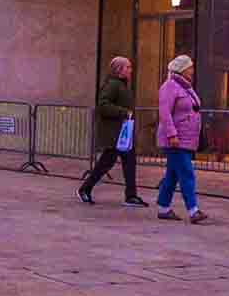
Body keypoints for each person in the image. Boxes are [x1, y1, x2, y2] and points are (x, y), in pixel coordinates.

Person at [78, 56, 145, 206]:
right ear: (119, 70)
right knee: (106, 163)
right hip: (114, 134)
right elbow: (103, 105)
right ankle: (85, 189)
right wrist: (123, 112)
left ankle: (131, 196)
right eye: (128, 67)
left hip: (123, 133)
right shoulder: (113, 85)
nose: (130, 70)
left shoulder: (123, 85)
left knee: (129, 162)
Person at [154, 53, 206, 224]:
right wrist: (172, 134)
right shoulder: (169, 87)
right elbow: (165, 113)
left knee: (173, 175)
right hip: (176, 140)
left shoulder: (186, 88)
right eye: (190, 68)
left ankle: (163, 207)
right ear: (182, 69)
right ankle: (193, 210)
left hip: (186, 139)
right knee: (186, 173)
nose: (193, 71)